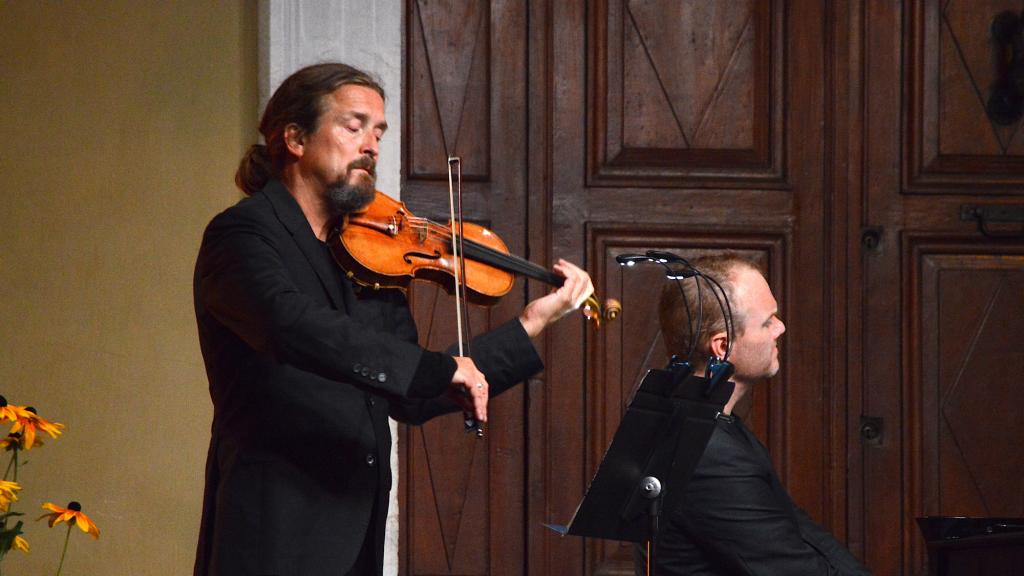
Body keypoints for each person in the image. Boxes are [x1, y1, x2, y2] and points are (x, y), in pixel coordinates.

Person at [192, 63, 593, 576]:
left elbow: (412, 391)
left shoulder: (370, 254)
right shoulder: (243, 234)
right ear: (294, 137)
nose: (372, 146)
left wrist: (531, 324)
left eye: (378, 132)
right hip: (276, 527)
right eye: (353, 126)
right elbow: (288, 325)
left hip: (356, 528)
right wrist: (434, 370)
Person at [636, 255, 870, 575]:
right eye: (767, 321)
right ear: (722, 346)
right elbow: (792, 568)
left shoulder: (717, 427)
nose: (781, 327)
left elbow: (804, 533)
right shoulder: (704, 449)